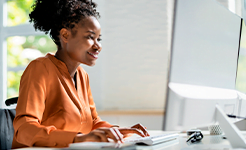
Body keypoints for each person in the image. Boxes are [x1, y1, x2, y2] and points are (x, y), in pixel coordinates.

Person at [12, 0, 149, 148]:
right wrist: (77, 138)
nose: (98, 46)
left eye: (99, 39)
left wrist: (116, 131)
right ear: (65, 35)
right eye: (90, 37)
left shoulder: (82, 76)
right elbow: (25, 128)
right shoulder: (39, 69)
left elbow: (93, 122)